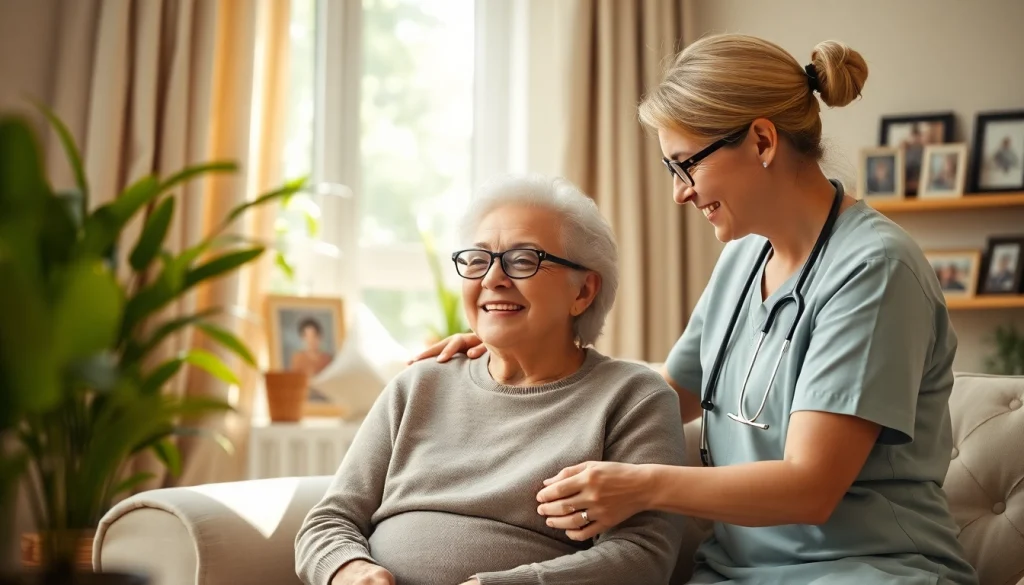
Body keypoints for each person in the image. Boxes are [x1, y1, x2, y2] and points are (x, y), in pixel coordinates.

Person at [414, 34, 980, 585]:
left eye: (687, 165)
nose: (680, 193)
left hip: (867, 571)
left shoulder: (874, 269)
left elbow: (810, 487)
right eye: (671, 171)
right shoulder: (744, 258)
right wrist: (522, 358)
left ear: (762, 141)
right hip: (732, 573)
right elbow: (668, 392)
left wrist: (641, 484)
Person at [295, 176, 687, 585]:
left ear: (583, 291)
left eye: (522, 260)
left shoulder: (632, 398)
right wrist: (352, 572)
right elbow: (328, 521)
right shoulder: (418, 385)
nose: (491, 279)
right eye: (478, 260)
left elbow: (642, 558)